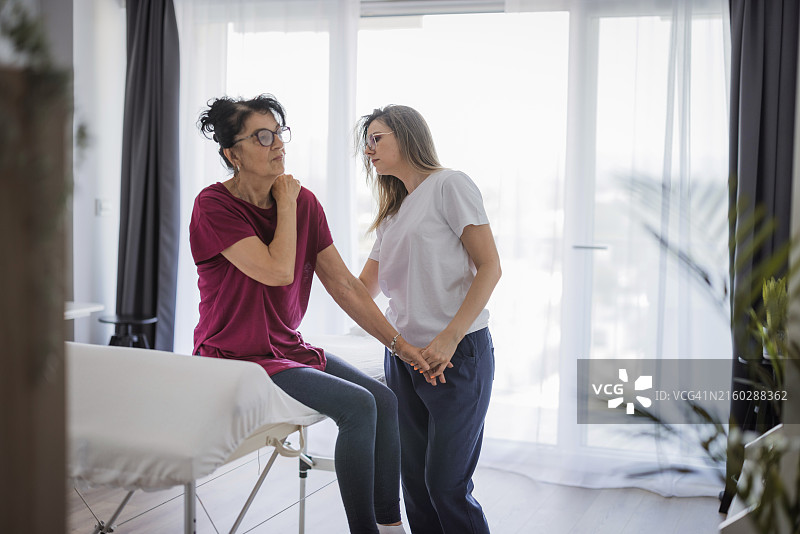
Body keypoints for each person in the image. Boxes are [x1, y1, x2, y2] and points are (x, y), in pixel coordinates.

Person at [189, 94, 428, 534]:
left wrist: (401, 346)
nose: (277, 143)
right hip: (234, 356)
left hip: (284, 348)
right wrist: (285, 202)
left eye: (279, 133)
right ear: (232, 154)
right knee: (357, 407)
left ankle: (391, 526)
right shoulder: (213, 207)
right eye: (262, 136)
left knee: (385, 400)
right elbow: (279, 272)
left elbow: (345, 286)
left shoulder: (304, 202)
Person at [356, 105, 501, 534]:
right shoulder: (394, 215)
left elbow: (490, 267)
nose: (369, 150)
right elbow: (363, 288)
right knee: (416, 487)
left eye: (377, 138)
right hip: (403, 357)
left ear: (407, 135)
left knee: (446, 486)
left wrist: (448, 339)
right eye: (367, 142)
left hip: (457, 354)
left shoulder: (449, 185)